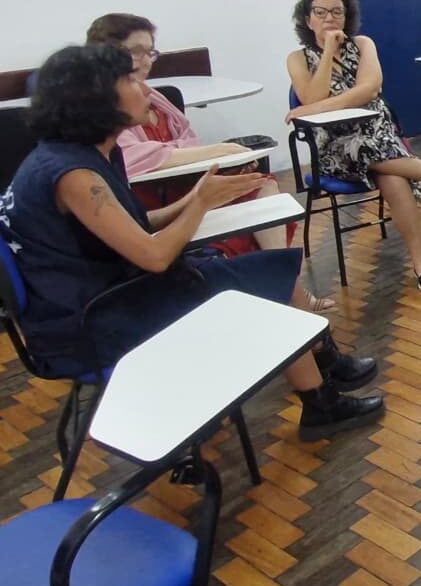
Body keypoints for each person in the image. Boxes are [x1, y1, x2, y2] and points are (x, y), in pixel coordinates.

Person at [0, 45, 385, 441]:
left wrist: (198, 196)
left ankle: (322, 380)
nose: (146, 91)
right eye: (132, 80)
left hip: (99, 296)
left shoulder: (82, 154)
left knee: (259, 271)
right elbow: (152, 255)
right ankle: (321, 391)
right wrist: (199, 204)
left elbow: (133, 224)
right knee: (263, 276)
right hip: (90, 325)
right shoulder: (75, 173)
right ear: (96, 98)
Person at [84, 13, 334, 313]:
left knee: (259, 184)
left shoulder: (153, 97)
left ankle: (285, 289)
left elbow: (188, 142)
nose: (146, 60)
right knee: (247, 190)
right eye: (135, 51)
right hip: (154, 197)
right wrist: (213, 153)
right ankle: (288, 297)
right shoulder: (105, 113)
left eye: (150, 51)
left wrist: (215, 160)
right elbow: (137, 158)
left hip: (181, 185)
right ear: (105, 52)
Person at [286, 0, 421, 294]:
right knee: (378, 160)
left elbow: (370, 89)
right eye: (321, 13)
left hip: (377, 132)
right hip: (333, 147)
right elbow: (311, 96)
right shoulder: (298, 58)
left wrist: (316, 105)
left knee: (389, 173)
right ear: (308, 20)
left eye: (337, 12)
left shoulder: (363, 44)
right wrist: (329, 51)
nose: (330, 18)